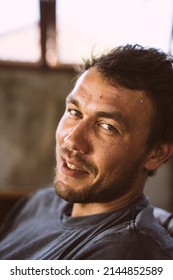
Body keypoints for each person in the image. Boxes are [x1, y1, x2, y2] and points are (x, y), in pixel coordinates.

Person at [0, 44, 173, 260]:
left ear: (155, 154)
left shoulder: (126, 256)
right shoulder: (40, 202)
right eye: (75, 112)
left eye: (108, 127)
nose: (72, 140)